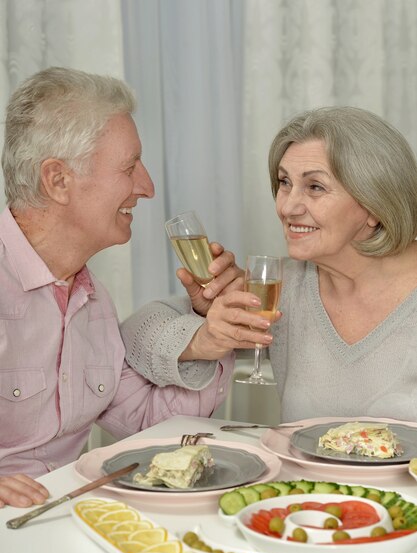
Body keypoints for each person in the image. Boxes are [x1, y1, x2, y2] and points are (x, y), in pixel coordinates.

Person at [0, 67, 242, 508]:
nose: (146, 187)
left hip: (63, 518)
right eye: (130, 167)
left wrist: (207, 334)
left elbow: (147, 424)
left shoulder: (91, 300)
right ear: (57, 180)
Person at [122, 106, 417, 424]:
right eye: (284, 183)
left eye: (315, 187)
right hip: (304, 476)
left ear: (375, 204)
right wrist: (205, 330)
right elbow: (133, 335)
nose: (288, 206)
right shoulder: (280, 289)